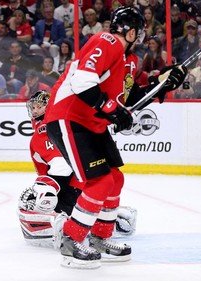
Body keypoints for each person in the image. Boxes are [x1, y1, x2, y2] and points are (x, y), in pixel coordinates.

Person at [44, 6, 187, 268]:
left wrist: (160, 85)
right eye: (140, 32)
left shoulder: (127, 60)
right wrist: (109, 109)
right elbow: (83, 81)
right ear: (131, 31)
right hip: (69, 118)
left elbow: (128, 99)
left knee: (115, 180)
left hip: (92, 124)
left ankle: (100, 237)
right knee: (98, 182)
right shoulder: (106, 41)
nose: (142, 36)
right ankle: (71, 240)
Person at [17, 90, 138, 248]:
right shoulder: (59, 125)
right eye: (32, 107)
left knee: (32, 200)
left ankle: (67, 225)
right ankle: (110, 216)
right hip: (85, 187)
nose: (34, 111)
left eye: (38, 107)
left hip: (72, 189)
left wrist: (45, 191)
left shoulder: (44, 130)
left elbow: (62, 164)